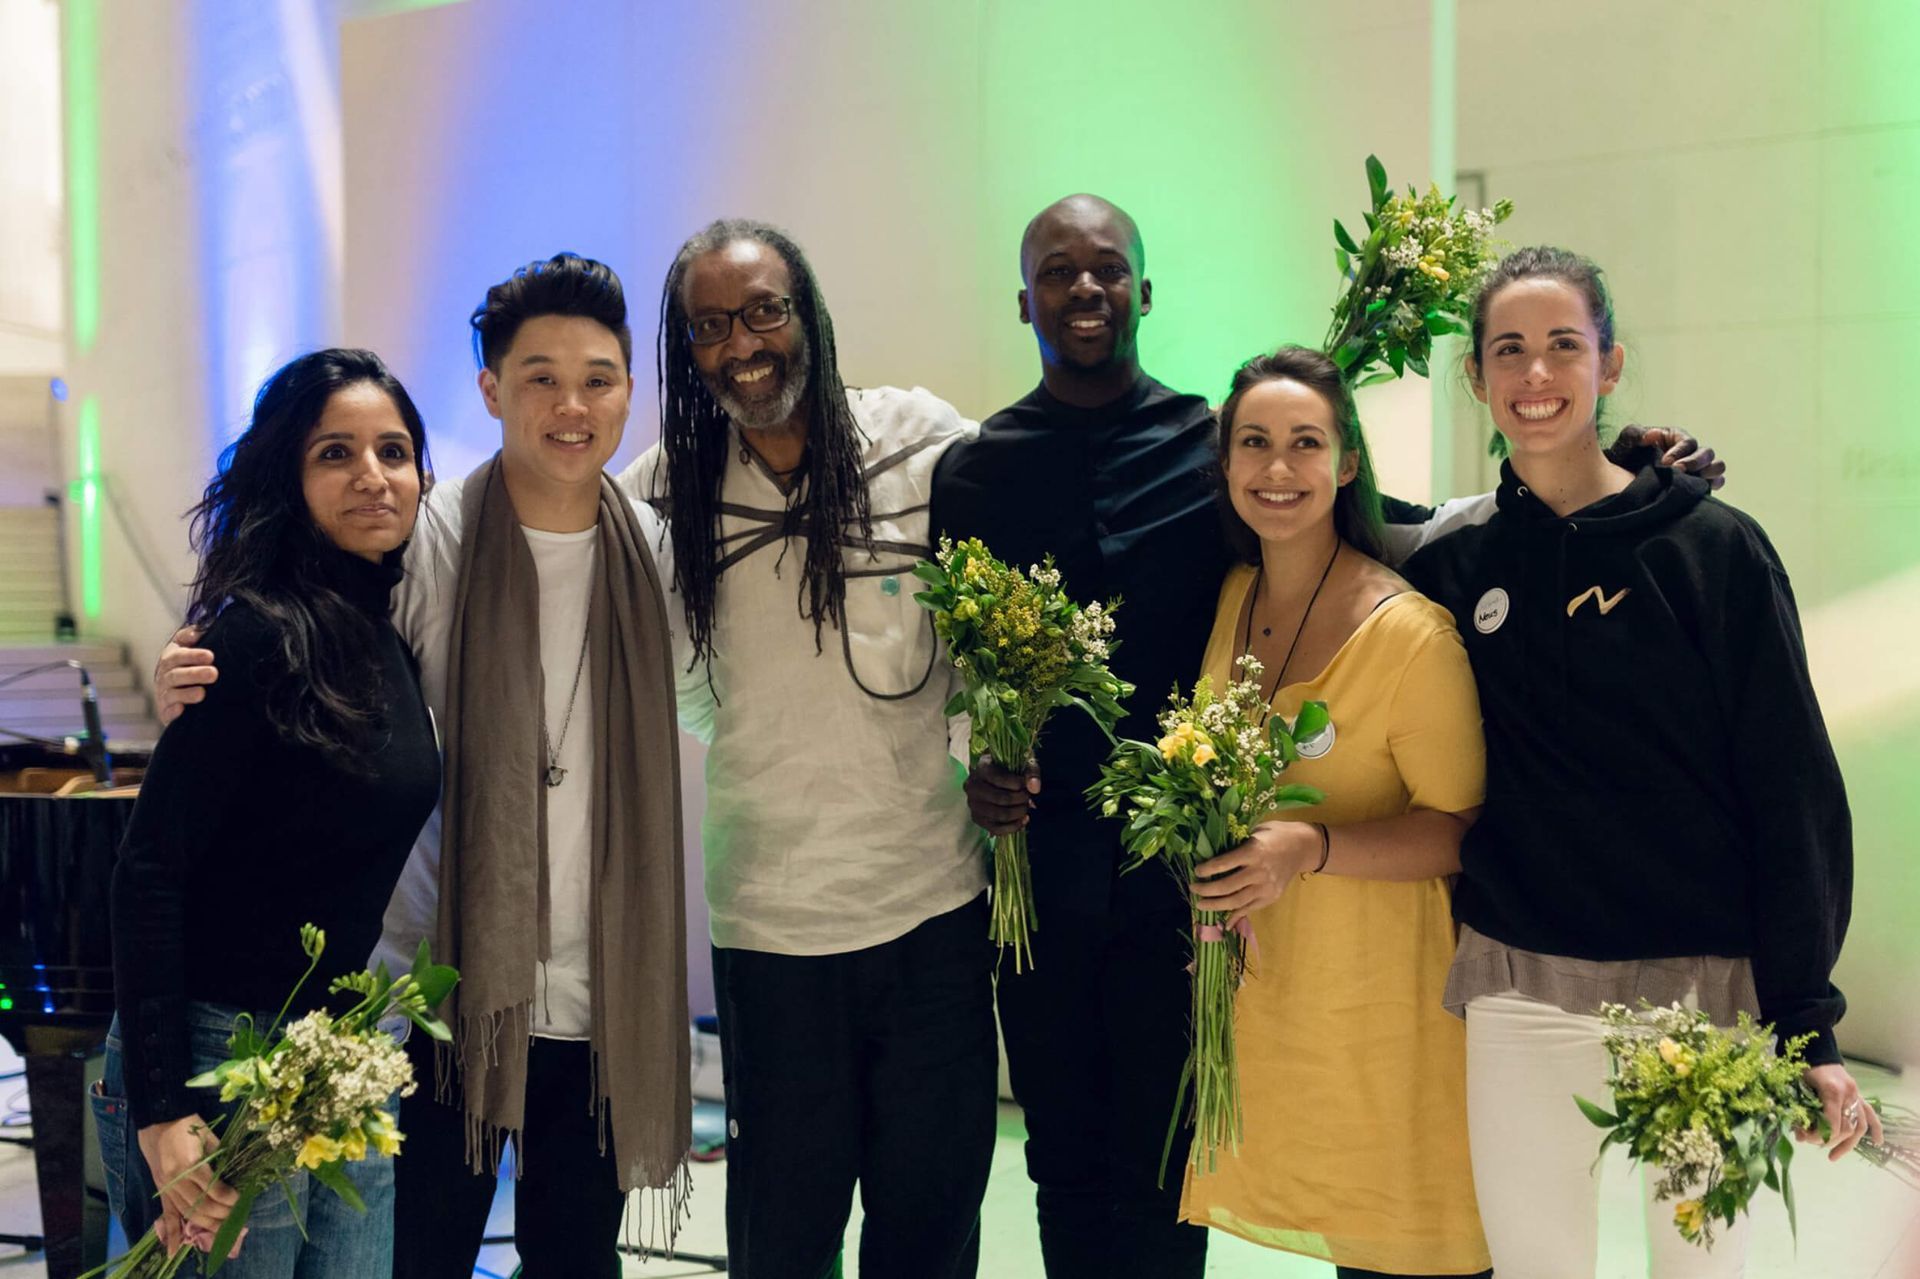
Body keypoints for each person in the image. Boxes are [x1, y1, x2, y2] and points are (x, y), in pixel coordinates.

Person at [933, 193, 1729, 1279]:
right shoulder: (976, 470)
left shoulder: (1202, 449)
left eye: (1108, 268)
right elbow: (961, 659)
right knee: (1064, 1162)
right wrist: (980, 765)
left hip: (1192, 898)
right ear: (1022, 297)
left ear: (1144, 292)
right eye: (1059, 271)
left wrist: (1617, 464)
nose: (1085, 289)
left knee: (1180, 1172)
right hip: (1059, 883)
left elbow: (1417, 523)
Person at [155, 254, 692, 1278]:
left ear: (631, 388)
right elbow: (295, 621)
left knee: (580, 1260)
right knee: (418, 1258)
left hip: (600, 998)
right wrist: (192, 655)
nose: (571, 405)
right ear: (491, 390)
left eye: (599, 377)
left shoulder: (656, 558)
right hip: (434, 994)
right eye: (540, 377)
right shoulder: (425, 538)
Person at [1402, 245, 1868, 1279]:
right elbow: (1322, 515)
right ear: (1475, 378)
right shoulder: (1454, 567)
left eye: (1564, 346)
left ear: (1610, 367)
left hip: (1705, 994)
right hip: (1520, 988)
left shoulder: (1716, 551)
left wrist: (1806, 1023)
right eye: (1508, 351)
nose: (1536, 375)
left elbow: (1791, 789)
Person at [617, 218, 995, 1279]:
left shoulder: (918, 442)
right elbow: (687, 694)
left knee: (929, 1224)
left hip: (931, 910)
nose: (742, 343)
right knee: (783, 1238)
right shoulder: (664, 495)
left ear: (809, 316)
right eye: (710, 326)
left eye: (763, 311)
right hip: (772, 930)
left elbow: (1000, 592)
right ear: (687, 350)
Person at [98, 349, 440, 1275]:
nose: (373, 474)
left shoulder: (381, 630)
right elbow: (150, 871)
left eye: (394, 450)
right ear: (289, 477)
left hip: (340, 1060)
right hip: (218, 1055)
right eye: (336, 452)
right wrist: (165, 1112)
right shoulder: (252, 636)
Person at [1176, 345, 1490, 1277]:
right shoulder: (1235, 596)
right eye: (1255, 443)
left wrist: (1307, 847)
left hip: (1385, 1012)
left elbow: (1460, 828)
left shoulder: (1408, 633)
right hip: (1278, 1006)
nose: (1278, 469)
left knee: (1405, 1252)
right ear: (1225, 463)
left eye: (1306, 443)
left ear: (1348, 461)